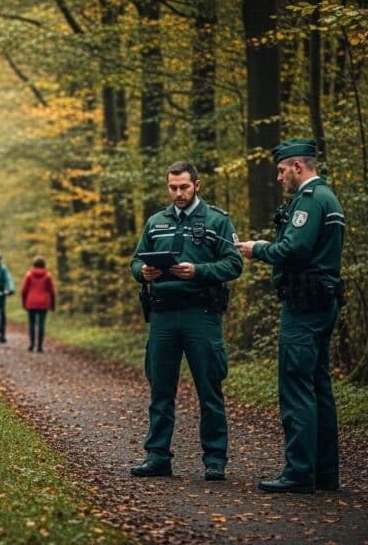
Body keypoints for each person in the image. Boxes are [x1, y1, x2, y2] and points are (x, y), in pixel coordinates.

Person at [236, 138, 345, 494]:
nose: (280, 178)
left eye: (282, 170)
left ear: (299, 167)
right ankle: (324, 472)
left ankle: (299, 472)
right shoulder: (326, 199)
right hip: (321, 303)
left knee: (297, 387)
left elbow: (295, 248)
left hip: (305, 307)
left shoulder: (311, 201)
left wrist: (258, 249)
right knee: (318, 388)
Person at [129, 161, 243, 482]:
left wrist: (199, 271)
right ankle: (157, 456)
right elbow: (136, 260)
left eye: (183, 187)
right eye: (172, 187)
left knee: (210, 388)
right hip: (163, 316)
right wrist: (143, 272)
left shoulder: (217, 221)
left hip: (201, 315)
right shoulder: (155, 222)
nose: (178, 193)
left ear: (197, 185)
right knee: (160, 389)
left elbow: (234, 264)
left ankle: (215, 459)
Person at [20, 256, 56, 352]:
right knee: (41, 324)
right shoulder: (48, 276)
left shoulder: (28, 275)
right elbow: (52, 292)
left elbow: (23, 291)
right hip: (43, 303)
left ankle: (31, 344)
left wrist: (24, 303)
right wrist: (53, 305)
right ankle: (40, 346)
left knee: (31, 324)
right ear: (44, 265)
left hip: (31, 302)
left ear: (34, 265)